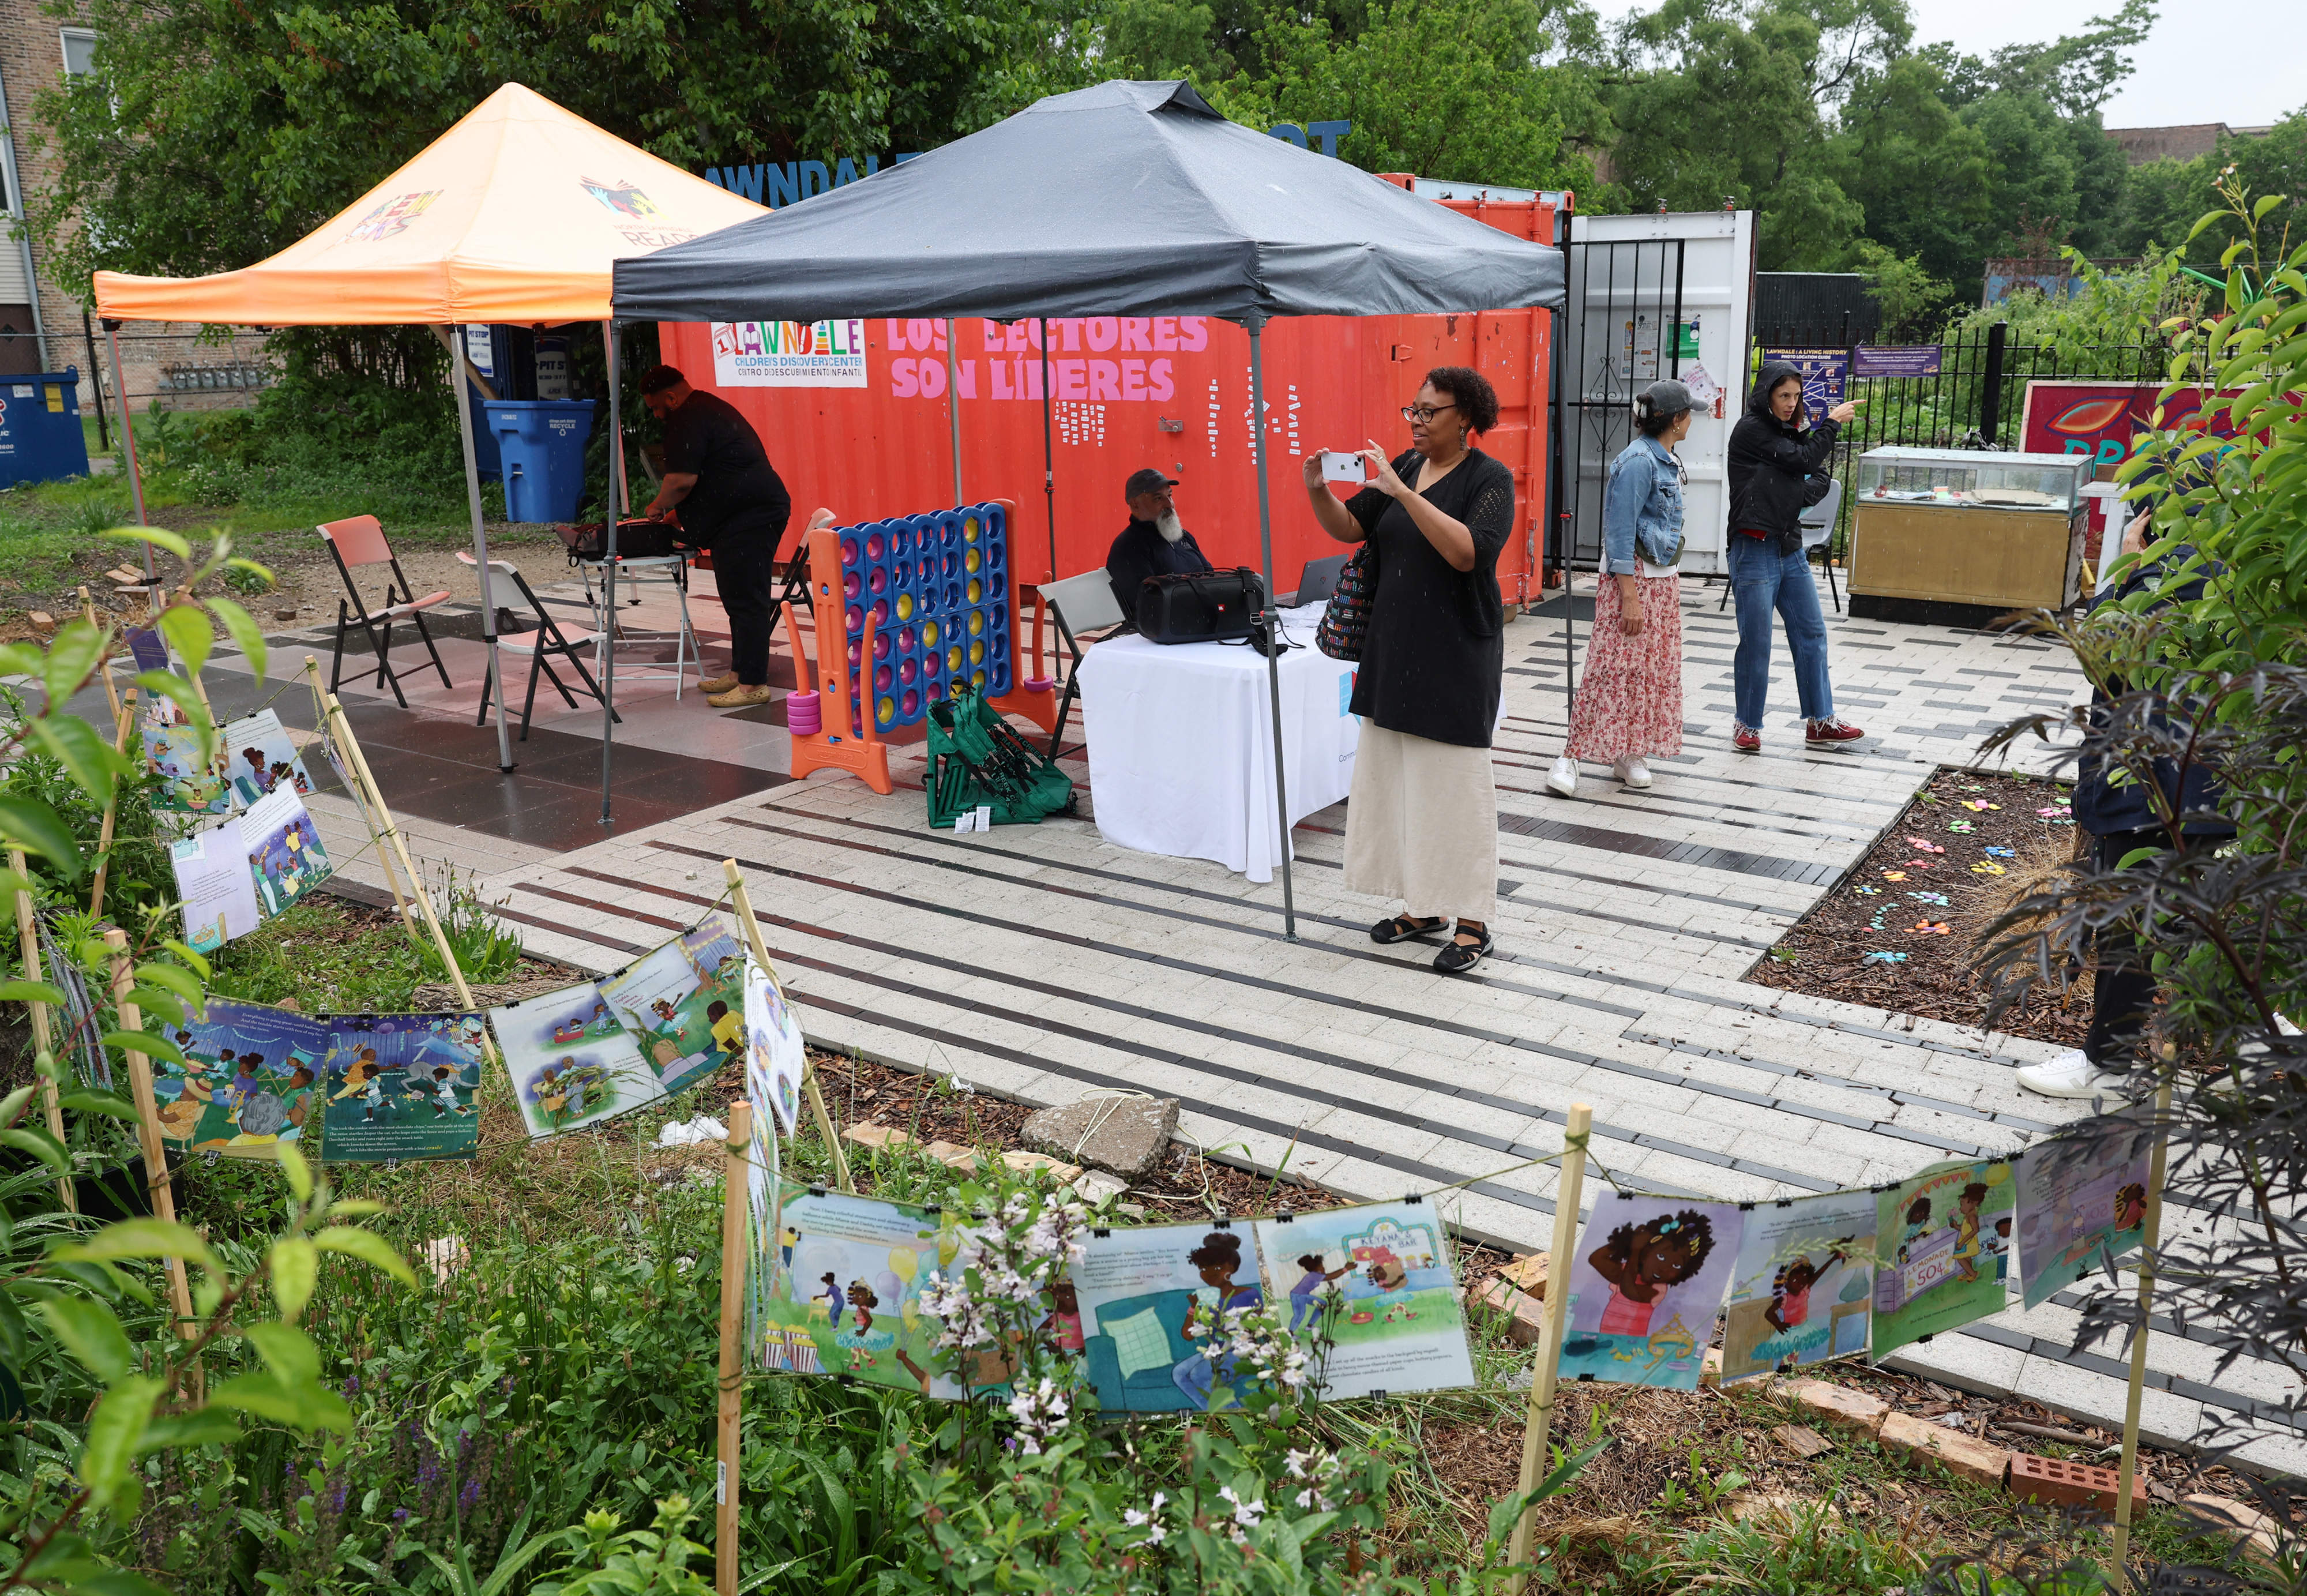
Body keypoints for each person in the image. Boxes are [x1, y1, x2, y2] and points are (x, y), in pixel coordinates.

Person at [1299, 367, 1515, 975]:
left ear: (1465, 418)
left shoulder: (1488, 478)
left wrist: (1402, 493)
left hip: (1456, 656)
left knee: (1452, 790)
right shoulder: (1404, 467)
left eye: (1430, 411)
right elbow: (1351, 526)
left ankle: (1472, 920)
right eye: (1411, 410)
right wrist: (1318, 489)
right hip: (1393, 651)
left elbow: (1467, 551)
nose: (1416, 421)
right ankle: (1423, 906)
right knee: (1397, 785)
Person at [2017, 505, 2234, 1098]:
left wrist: (2127, 567)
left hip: (2150, 789)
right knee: (2185, 920)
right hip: (2197, 783)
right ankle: (2256, 1042)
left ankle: (2105, 1062)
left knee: (2130, 927)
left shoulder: (2163, 573)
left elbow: (2103, 658)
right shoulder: (2232, 576)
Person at [1551, 378, 1694, 798]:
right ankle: (1570, 754)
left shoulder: (1664, 457)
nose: (1692, 421)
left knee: (1647, 670)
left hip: (1661, 578)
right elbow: (1618, 532)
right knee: (1609, 667)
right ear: (1675, 421)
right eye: (1688, 414)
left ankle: (1630, 751)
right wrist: (1628, 596)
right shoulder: (1638, 462)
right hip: (1632, 580)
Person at [1724, 362, 1863, 752]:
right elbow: (1804, 462)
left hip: (1789, 547)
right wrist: (1832, 423)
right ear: (1766, 393)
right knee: (1757, 643)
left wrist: (1791, 494)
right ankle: (1747, 724)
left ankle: (1820, 721)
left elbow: (1815, 475)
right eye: (1784, 395)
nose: (1791, 403)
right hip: (1754, 549)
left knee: (1812, 632)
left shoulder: (1791, 430)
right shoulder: (1752, 429)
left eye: (1797, 395)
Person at [639, 365, 794, 709]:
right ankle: (740, 673)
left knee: (747, 601)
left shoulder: (687, 417)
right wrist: (679, 513)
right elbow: (716, 473)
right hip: (741, 515)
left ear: (670, 397)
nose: (657, 414)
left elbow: (681, 480)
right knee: (736, 599)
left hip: (752, 516)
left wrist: (658, 505)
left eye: (655, 407)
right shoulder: (705, 409)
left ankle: (753, 683)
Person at [1104, 468, 1212, 624]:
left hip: (1201, 622)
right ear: (1135, 505)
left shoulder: (1183, 536)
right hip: (1161, 634)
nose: (1169, 504)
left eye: (1170, 496)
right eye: (1158, 499)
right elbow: (1147, 604)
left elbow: (1211, 576)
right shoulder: (1128, 548)